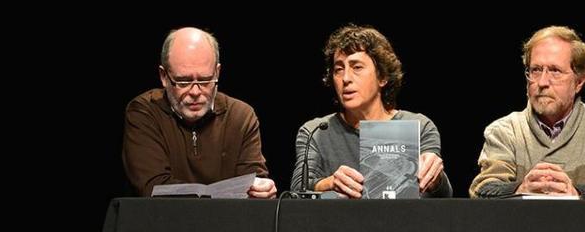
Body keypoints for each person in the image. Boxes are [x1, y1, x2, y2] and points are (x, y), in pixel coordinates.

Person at [292, 24, 452, 198]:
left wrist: (435, 178)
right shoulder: (316, 131)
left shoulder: (419, 126)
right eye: (339, 69)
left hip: (407, 223)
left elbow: (444, 197)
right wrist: (330, 183)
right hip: (340, 223)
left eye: (357, 67)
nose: (345, 78)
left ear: (382, 77)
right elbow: (296, 191)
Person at [469, 26, 585, 198]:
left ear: (579, 81)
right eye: (536, 70)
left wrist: (575, 192)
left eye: (555, 71)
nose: (543, 82)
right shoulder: (504, 131)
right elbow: (483, 190)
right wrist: (519, 190)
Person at [123, 27, 276, 198]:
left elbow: (251, 182)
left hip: (229, 223)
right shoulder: (145, 112)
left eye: (204, 80)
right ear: (164, 76)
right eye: (183, 81)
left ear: (217, 72)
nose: (195, 91)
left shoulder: (241, 116)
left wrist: (261, 190)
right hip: (163, 222)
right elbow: (153, 187)